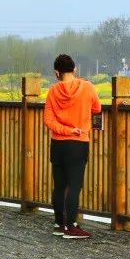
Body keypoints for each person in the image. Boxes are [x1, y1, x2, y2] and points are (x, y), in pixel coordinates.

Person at [42, 54, 101, 239]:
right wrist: (74, 129)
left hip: (58, 144)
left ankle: (59, 224)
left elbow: (48, 120)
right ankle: (71, 227)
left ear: (56, 72)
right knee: (74, 186)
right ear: (75, 69)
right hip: (78, 142)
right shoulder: (87, 87)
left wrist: (65, 130)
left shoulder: (52, 91)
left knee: (59, 185)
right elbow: (97, 109)